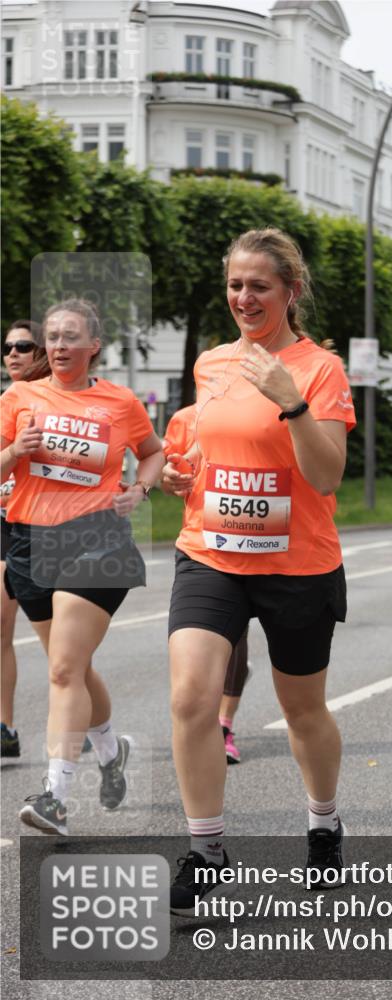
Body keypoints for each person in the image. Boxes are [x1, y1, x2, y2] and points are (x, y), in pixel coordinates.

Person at [163, 227, 355, 916]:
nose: (244, 297)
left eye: (259, 286)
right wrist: (183, 477)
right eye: (235, 285)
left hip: (296, 563)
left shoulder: (320, 369)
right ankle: (207, 852)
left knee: (302, 711)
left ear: (291, 291)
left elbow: (326, 476)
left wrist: (290, 398)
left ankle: (324, 822)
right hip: (210, 552)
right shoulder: (212, 362)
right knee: (191, 698)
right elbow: (204, 453)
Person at [0, 299, 164, 833]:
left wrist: (139, 488)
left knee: (65, 669)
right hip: (29, 542)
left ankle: (55, 796)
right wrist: (13, 451)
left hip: (97, 541)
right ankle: (111, 752)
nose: (59, 346)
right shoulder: (19, 397)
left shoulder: (119, 401)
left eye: (72, 336)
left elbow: (153, 451)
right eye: (52, 336)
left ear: (94, 345)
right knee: (71, 665)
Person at [163, 404, 250, 763]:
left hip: (256, 540)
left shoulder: (256, 409)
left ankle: (224, 724)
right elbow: (171, 472)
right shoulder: (184, 419)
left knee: (237, 637)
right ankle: (215, 722)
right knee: (200, 652)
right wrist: (169, 478)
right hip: (204, 546)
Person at [1, 321, 51, 758]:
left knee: (61, 643)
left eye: (24, 346)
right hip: (4, 523)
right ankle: (5, 726)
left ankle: (88, 717)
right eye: (8, 347)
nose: (13, 353)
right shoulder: (6, 402)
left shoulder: (57, 402)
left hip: (39, 528)